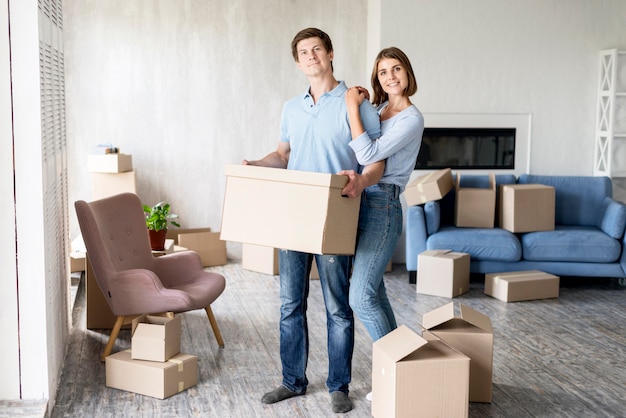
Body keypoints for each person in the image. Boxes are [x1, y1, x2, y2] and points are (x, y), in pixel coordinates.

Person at [242, 28, 383, 414]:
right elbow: (283, 155)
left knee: (338, 306)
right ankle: (292, 381)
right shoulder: (291, 107)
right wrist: (256, 164)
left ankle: (339, 386)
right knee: (290, 304)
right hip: (295, 215)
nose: (310, 56)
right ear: (297, 61)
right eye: (303, 52)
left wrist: (361, 179)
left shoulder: (355, 102)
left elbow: (374, 160)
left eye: (316, 49)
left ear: (330, 53)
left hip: (336, 215)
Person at [342, 47, 424, 349]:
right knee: (375, 292)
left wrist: (353, 108)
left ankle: (395, 371)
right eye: (383, 72)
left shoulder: (410, 119)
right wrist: (362, 107)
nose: (391, 76)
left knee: (360, 296)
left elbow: (368, 153)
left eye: (397, 68)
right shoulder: (378, 112)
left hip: (383, 205)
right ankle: (399, 371)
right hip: (361, 200)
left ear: (408, 72)